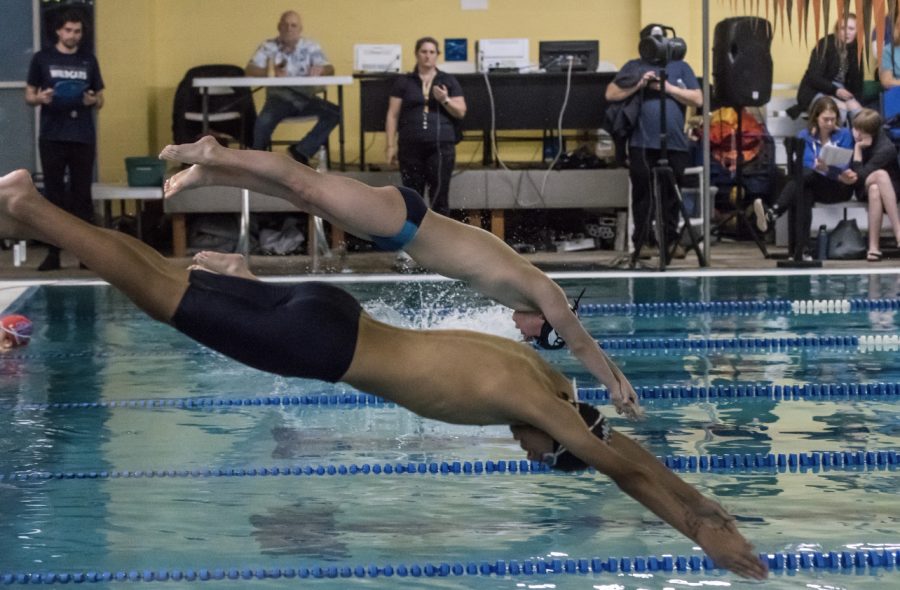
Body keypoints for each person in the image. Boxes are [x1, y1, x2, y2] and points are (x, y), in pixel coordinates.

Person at [0, 168, 767, 580]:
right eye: (544, 458)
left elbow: (615, 444)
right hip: (323, 349)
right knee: (160, 296)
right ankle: (30, 210)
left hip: (330, 311)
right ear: (553, 440)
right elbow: (620, 467)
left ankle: (27, 214)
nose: (532, 459)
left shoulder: (531, 371)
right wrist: (701, 527)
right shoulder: (540, 409)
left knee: (166, 276)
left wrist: (707, 506)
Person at [159, 136, 643, 420]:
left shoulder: (520, 291)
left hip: (399, 232)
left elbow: (568, 341)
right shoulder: (543, 291)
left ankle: (214, 174)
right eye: (538, 336)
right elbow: (580, 341)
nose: (522, 333)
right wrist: (616, 387)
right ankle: (215, 152)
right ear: (548, 322)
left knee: (303, 200)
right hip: (405, 219)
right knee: (305, 183)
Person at [604, 24, 702, 260]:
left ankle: (669, 241)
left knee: (671, 195)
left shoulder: (681, 66)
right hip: (642, 143)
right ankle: (643, 242)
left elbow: (698, 98)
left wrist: (667, 88)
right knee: (643, 194)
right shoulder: (634, 66)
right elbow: (611, 93)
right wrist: (639, 84)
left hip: (675, 143)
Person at [25, 8, 104, 271]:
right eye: (69, 30)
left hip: (82, 136)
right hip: (52, 136)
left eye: (78, 31)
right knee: (54, 196)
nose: (73, 35)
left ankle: (86, 255)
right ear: (59, 31)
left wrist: (93, 100)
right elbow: (29, 96)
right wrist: (40, 98)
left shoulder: (88, 61)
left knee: (82, 195)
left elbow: (100, 98)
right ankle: (53, 253)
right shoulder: (42, 59)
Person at [753, 97, 855, 260]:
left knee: (804, 179)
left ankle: (773, 213)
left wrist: (827, 169)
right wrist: (822, 168)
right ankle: (803, 250)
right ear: (816, 118)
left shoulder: (844, 135)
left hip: (839, 186)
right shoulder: (805, 136)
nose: (829, 123)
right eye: (825, 119)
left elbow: (844, 165)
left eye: (832, 119)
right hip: (814, 183)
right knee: (803, 192)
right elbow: (805, 163)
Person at [384, 37, 466, 217]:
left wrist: (445, 99)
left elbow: (461, 111)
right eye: (424, 52)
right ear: (416, 54)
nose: (427, 56)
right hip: (410, 145)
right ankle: (414, 240)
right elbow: (392, 114)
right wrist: (390, 145)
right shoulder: (404, 81)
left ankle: (440, 240)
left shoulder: (448, 80)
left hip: (440, 145)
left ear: (437, 55)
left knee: (440, 195)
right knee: (412, 197)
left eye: (432, 52)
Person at [245, 10, 339, 165]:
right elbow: (250, 70)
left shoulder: (311, 46)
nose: (289, 28)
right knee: (263, 121)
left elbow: (330, 69)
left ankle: (301, 151)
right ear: (279, 27)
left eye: (293, 25)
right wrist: (268, 70)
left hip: (306, 98)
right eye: (286, 25)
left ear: (300, 29)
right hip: (278, 98)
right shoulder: (268, 46)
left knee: (336, 113)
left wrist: (321, 70)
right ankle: (257, 161)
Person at [844, 108, 900, 261]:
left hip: (891, 190)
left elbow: (861, 174)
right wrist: (858, 147)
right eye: (855, 128)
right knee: (879, 177)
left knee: (877, 186)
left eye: (860, 131)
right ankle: (899, 233)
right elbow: (860, 179)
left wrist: (858, 150)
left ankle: (874, 248)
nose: (856, 133)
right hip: (862, 186)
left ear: (872, 133)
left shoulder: (886, 148)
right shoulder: (852, 139)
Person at [796, 13, 863, 122]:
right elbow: (814, 77)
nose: (847, 32)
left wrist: (856, 101)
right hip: (815, 91)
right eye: (842, 28)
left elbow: (857, 81)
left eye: (851, 28)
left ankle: (854, 139)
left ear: (857, 31)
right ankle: (834, 139)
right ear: (837, 30)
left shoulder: (857, 48)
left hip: (840, 91)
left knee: (860, 114)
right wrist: (836, 90)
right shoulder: (825, 44)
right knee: (839, 110)